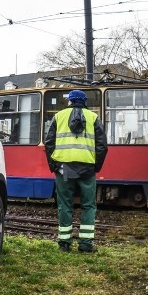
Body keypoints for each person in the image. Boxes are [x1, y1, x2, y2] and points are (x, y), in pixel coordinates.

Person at [44, 89, 108, 252]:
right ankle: (85, 244)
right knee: (88, 205)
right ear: (85, 102)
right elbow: (102, 146)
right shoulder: (94, 117)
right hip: (87, 168)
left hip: (64, 168)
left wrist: (54, 166)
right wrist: (96, 167)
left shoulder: (59, 116)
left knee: (64, 204)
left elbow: (49, 142)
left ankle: (64, 244)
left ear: (70, 101)